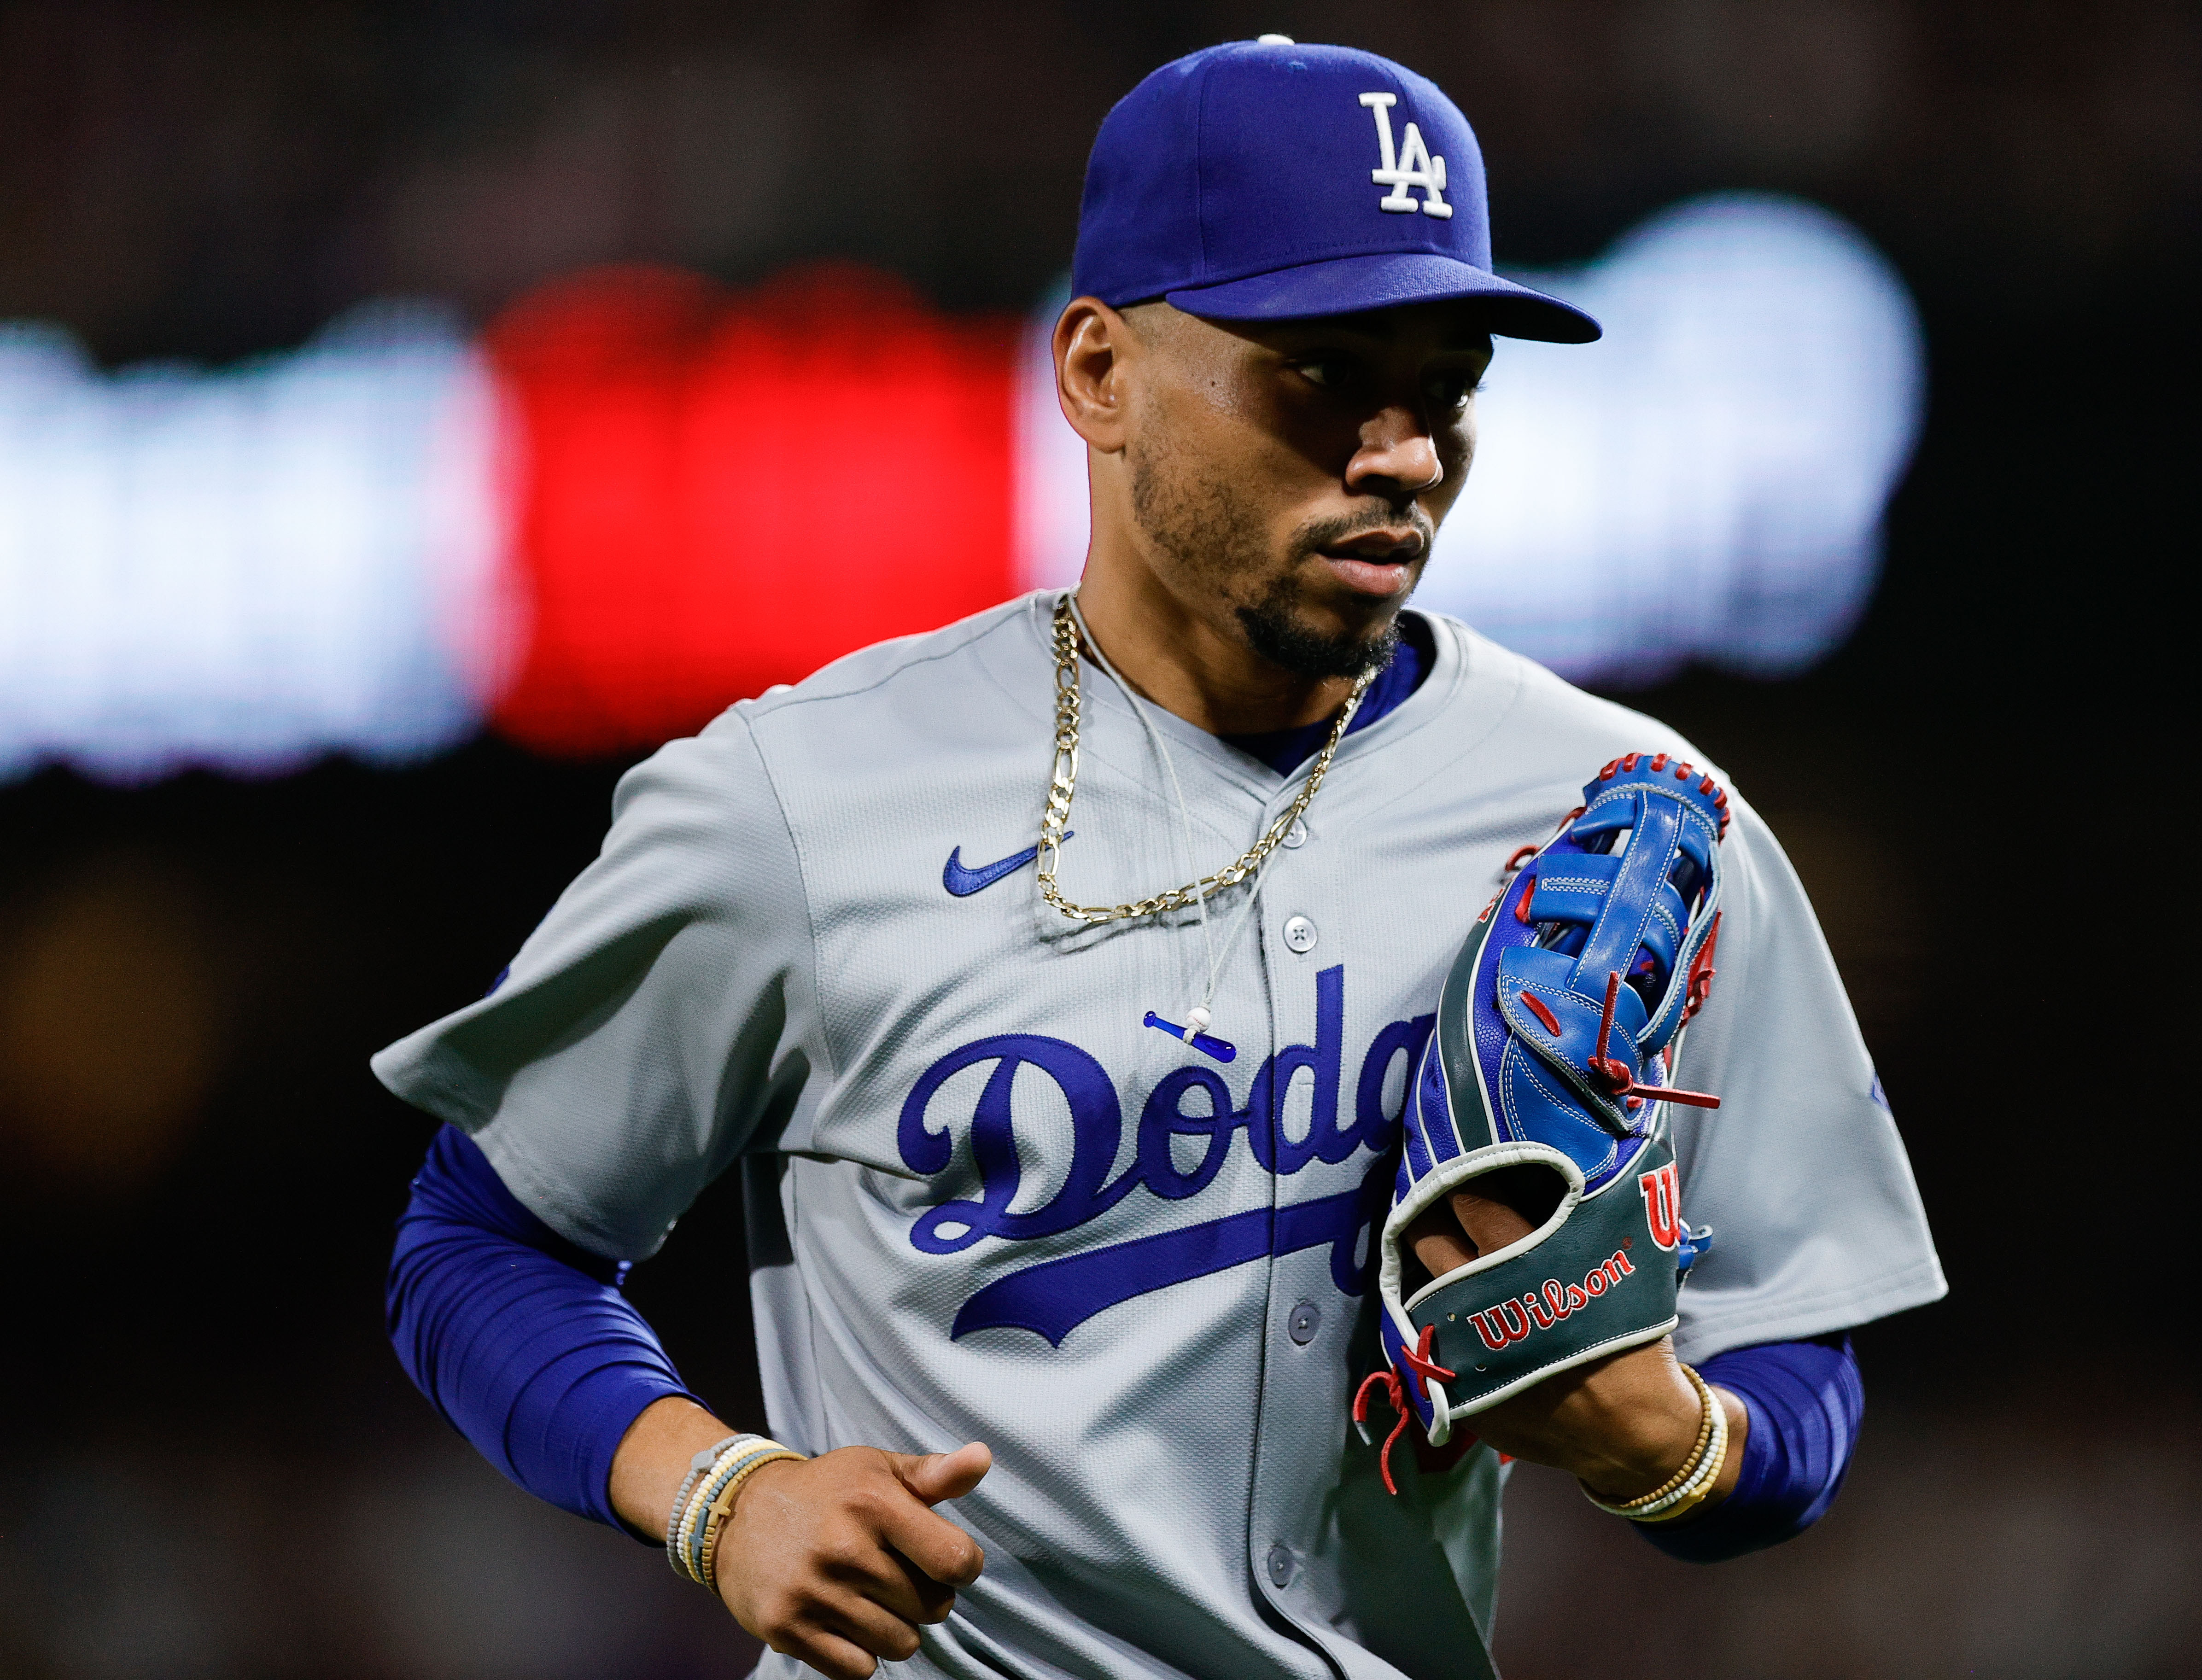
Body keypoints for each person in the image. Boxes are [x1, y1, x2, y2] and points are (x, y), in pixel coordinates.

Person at [376, 37, 1943, 1680]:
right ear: (1098, 376)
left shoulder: (1616, 805)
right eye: (1323, 374)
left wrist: (1678, 1445)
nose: (1404, 449)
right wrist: (716, 1489)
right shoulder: (799, 802)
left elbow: (1795, 1353)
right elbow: (481, 1242)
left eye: (1449, 384)